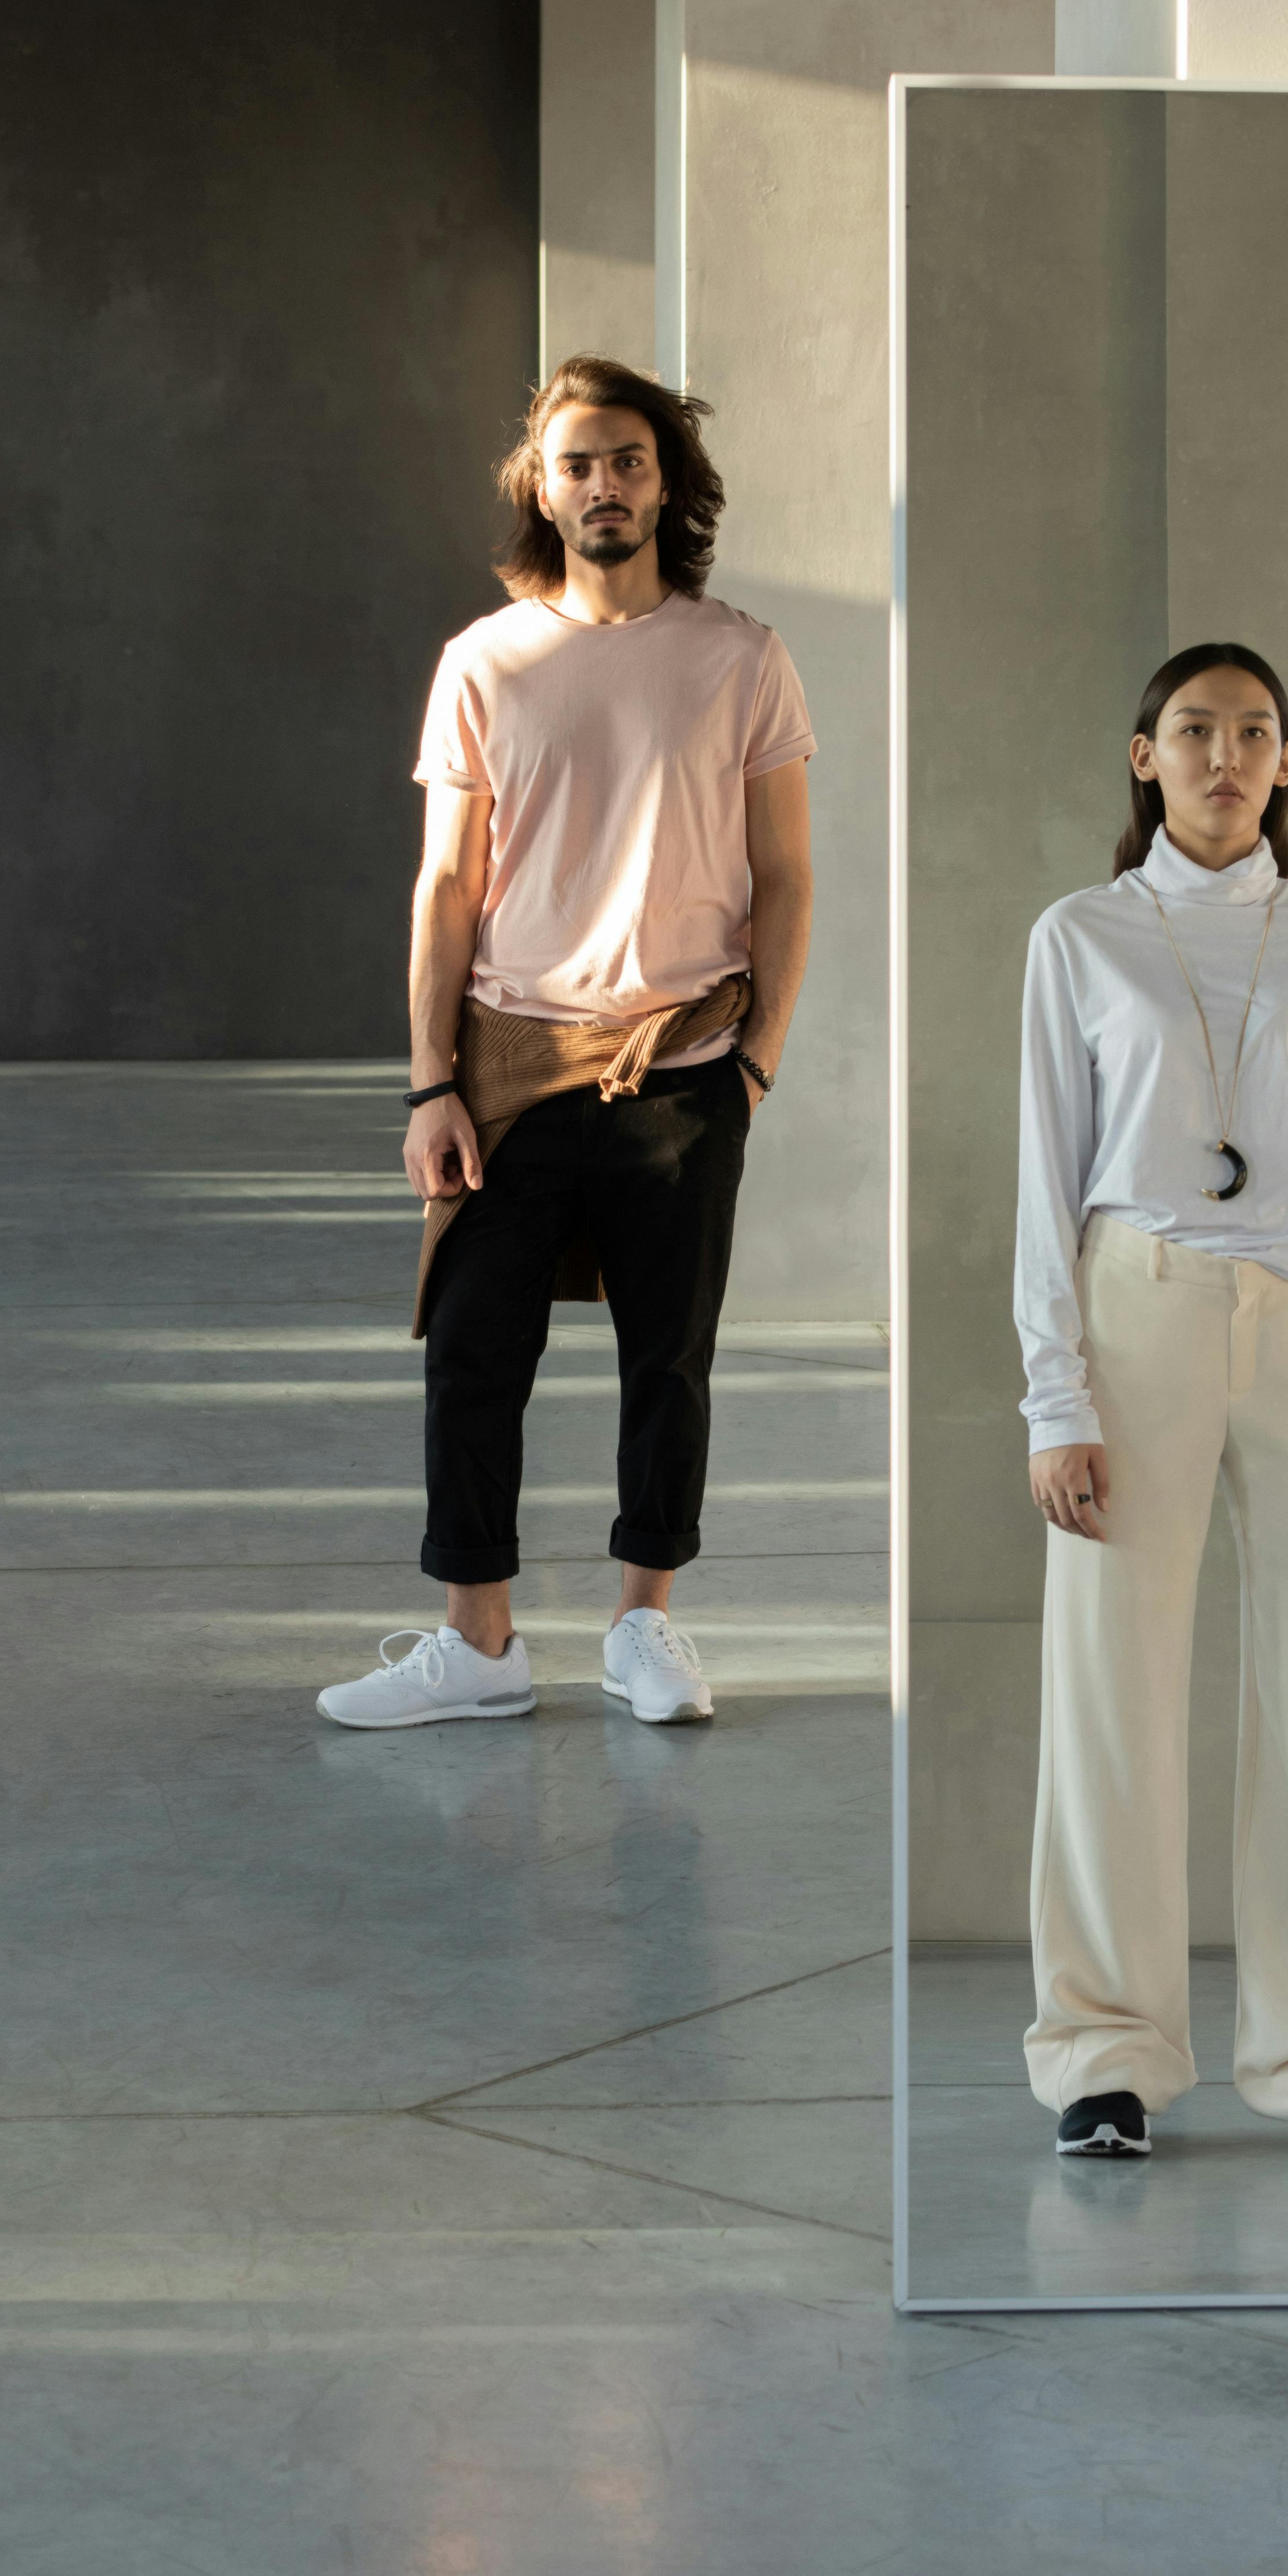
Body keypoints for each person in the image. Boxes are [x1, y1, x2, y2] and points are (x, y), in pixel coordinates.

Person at [318, 355, 814, 1732]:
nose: (604, 483)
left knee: (672, 1357)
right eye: (578, 462)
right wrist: (430, 1083)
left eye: (629, 460)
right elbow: (448, 888)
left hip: (684, 1066)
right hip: (511, 1066)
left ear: (667, 483)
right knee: (472, 1354)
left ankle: (643, 1629)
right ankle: (477, 1645)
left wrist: (755, 1055)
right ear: (542, 486)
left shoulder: (742, 657)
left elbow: (787, 874)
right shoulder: (482, 661)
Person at [1014, 643, 1288, 2164]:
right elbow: (1045, 1171)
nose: (1221, 753)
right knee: (1109, 1692)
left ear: (1286, 763)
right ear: (1141, 755)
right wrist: (1053, 1393)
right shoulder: (1081, 936)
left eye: (1250, 732)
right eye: (1191, 730)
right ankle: (1103, 2050)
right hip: (1138, 1309)